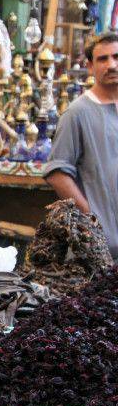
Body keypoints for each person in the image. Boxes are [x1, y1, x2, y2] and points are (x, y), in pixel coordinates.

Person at [44, 32, 118, 258]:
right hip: (99, 251)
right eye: (103, 59)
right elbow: (57, 173)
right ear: (90, 66)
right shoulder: (77, 113)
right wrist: (92, 222)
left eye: (116, 57)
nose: (111, 65)